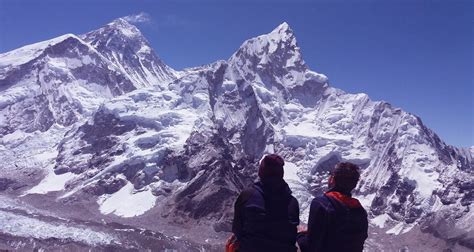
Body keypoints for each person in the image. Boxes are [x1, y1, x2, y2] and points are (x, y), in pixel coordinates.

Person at [231, 154, 300, 252]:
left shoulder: (248, 196)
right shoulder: (292, 203)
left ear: (261, 172)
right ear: (281, 174)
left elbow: (237, 229)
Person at [297, 162, 368, 252]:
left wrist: (300, 235)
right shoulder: (360, 212)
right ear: (354, 185)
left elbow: (310, 246)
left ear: (332, 180)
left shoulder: (321, 204)